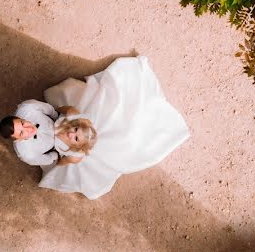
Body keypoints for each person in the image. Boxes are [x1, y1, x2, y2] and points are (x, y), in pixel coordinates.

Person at [38, 55, 190, 199]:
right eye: (75, 132)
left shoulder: (74, 154)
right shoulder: (73, 118)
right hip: (79, 124)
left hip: (74, 142)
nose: (72, 134)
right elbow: (67, 111)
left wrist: (59, 158)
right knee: (120, 125)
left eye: (75, 136)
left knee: (125, 139)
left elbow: (63, 161)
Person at [0, 100, 82, 166]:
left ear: (19, 117)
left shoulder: (28, 107)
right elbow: (48, 159)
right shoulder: (27, 154)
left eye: (23, 123)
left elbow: (48, 109)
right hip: (57, 146)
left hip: (57, 122)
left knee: (73, 112)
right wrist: (56, 155)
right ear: (17, 140)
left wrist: (56, 116)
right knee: (76, 158)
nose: (29, 129)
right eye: (21, 133)